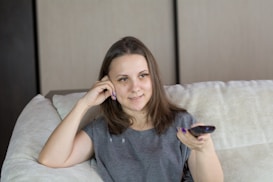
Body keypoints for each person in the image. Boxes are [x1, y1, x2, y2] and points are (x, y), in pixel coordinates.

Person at [38, 36, 223, 182]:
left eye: (143, 75)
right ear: (108, 84)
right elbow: (50, 159)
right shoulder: (101, 131)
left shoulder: (181, 123)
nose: (135, 87)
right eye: (123, 79)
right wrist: (83, 104)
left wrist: (203, 149)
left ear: (154, 79)